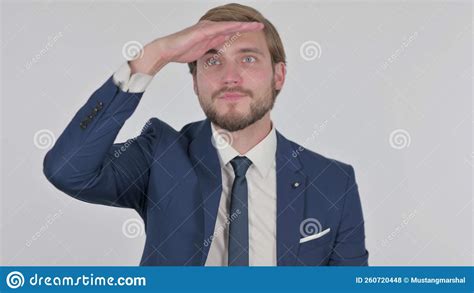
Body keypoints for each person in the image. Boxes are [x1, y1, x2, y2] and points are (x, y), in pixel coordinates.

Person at [43, 3, 368, 266]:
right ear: (195, 80)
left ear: (278, 75)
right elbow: (69, 170)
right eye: (212, 61)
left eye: (248, 59)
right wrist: (153, 57)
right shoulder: (160, 155)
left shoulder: (333, 182)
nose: (230, 77)